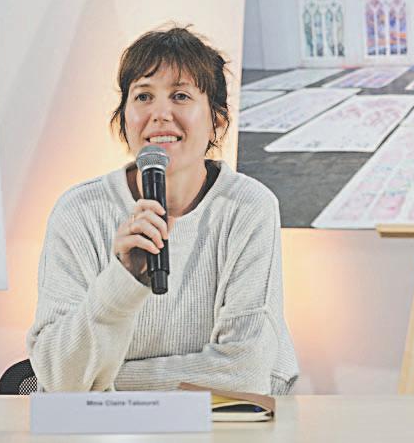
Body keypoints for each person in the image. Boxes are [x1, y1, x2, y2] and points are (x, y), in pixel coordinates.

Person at [26, 26, 298, 395]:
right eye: (143, 96)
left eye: (180, 96)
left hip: (222, 423)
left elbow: (244, 375)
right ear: (123, 118)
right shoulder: (79, 212)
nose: (159, 114)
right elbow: (57, 377)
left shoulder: (249, 207)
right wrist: (121, 280)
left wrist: (105, 384)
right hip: (107, 426)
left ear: (217, 120)